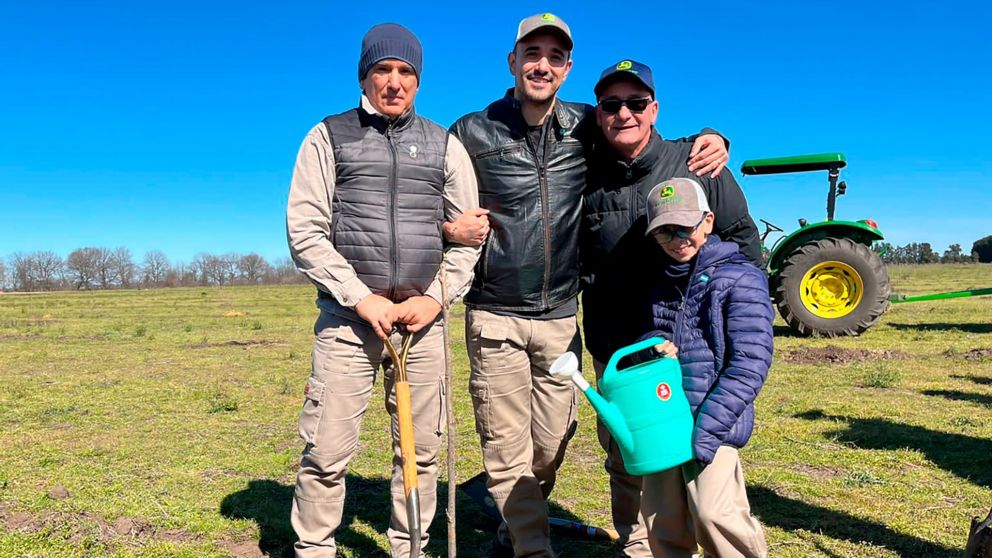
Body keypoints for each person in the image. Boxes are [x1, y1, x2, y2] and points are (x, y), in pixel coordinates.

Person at [447, 14, 729, 558]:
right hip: (495, 312)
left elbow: (646, 139)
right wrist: (448, 229)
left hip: (559, 316)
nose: (542, 65)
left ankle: (513, 528)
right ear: (512, 61)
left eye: (555, 56)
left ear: (567, 68)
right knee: (506, 447)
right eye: (532, 53)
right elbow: (431, 195)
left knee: (551, 444)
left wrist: (713, 137)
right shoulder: (471, 132)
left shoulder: (586, 125)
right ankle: (531, 547)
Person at [285, 23, 481, 558]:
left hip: (422, 323)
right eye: (383, 69)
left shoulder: (445, 145)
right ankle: (314, 548)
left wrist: (435, 298)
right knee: (326, 452)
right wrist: (359, 296)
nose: (394, 82)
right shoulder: (328, 137)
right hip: (349, 322)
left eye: (406, 71)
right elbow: (305, 231)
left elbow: (469, 236)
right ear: (364, 76)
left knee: (421, 453)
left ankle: (410, 548)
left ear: (418, 80)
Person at [579, 59, 763, 557]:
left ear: (654, 108)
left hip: (697, 350)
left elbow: (745, 245)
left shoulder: (695, 161)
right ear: (598, 113)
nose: (624, 113)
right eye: (611, 104)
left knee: (707, 493)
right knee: (629, 455)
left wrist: (724, 315)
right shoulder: (584, 167)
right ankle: (637, 546)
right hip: (622, 346)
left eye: (636, 103)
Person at [637, 177, 772, 557]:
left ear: (708, 221)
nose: (677, 239)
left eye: (685, 227)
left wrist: (708, 431)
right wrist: (651, 346)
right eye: (664, 232)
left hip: (712, 424)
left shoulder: (741, 279)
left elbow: (749, 364)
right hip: (666, 422)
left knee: (715, 516)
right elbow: (657, 332)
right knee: (662, 521)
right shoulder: (662, 279)